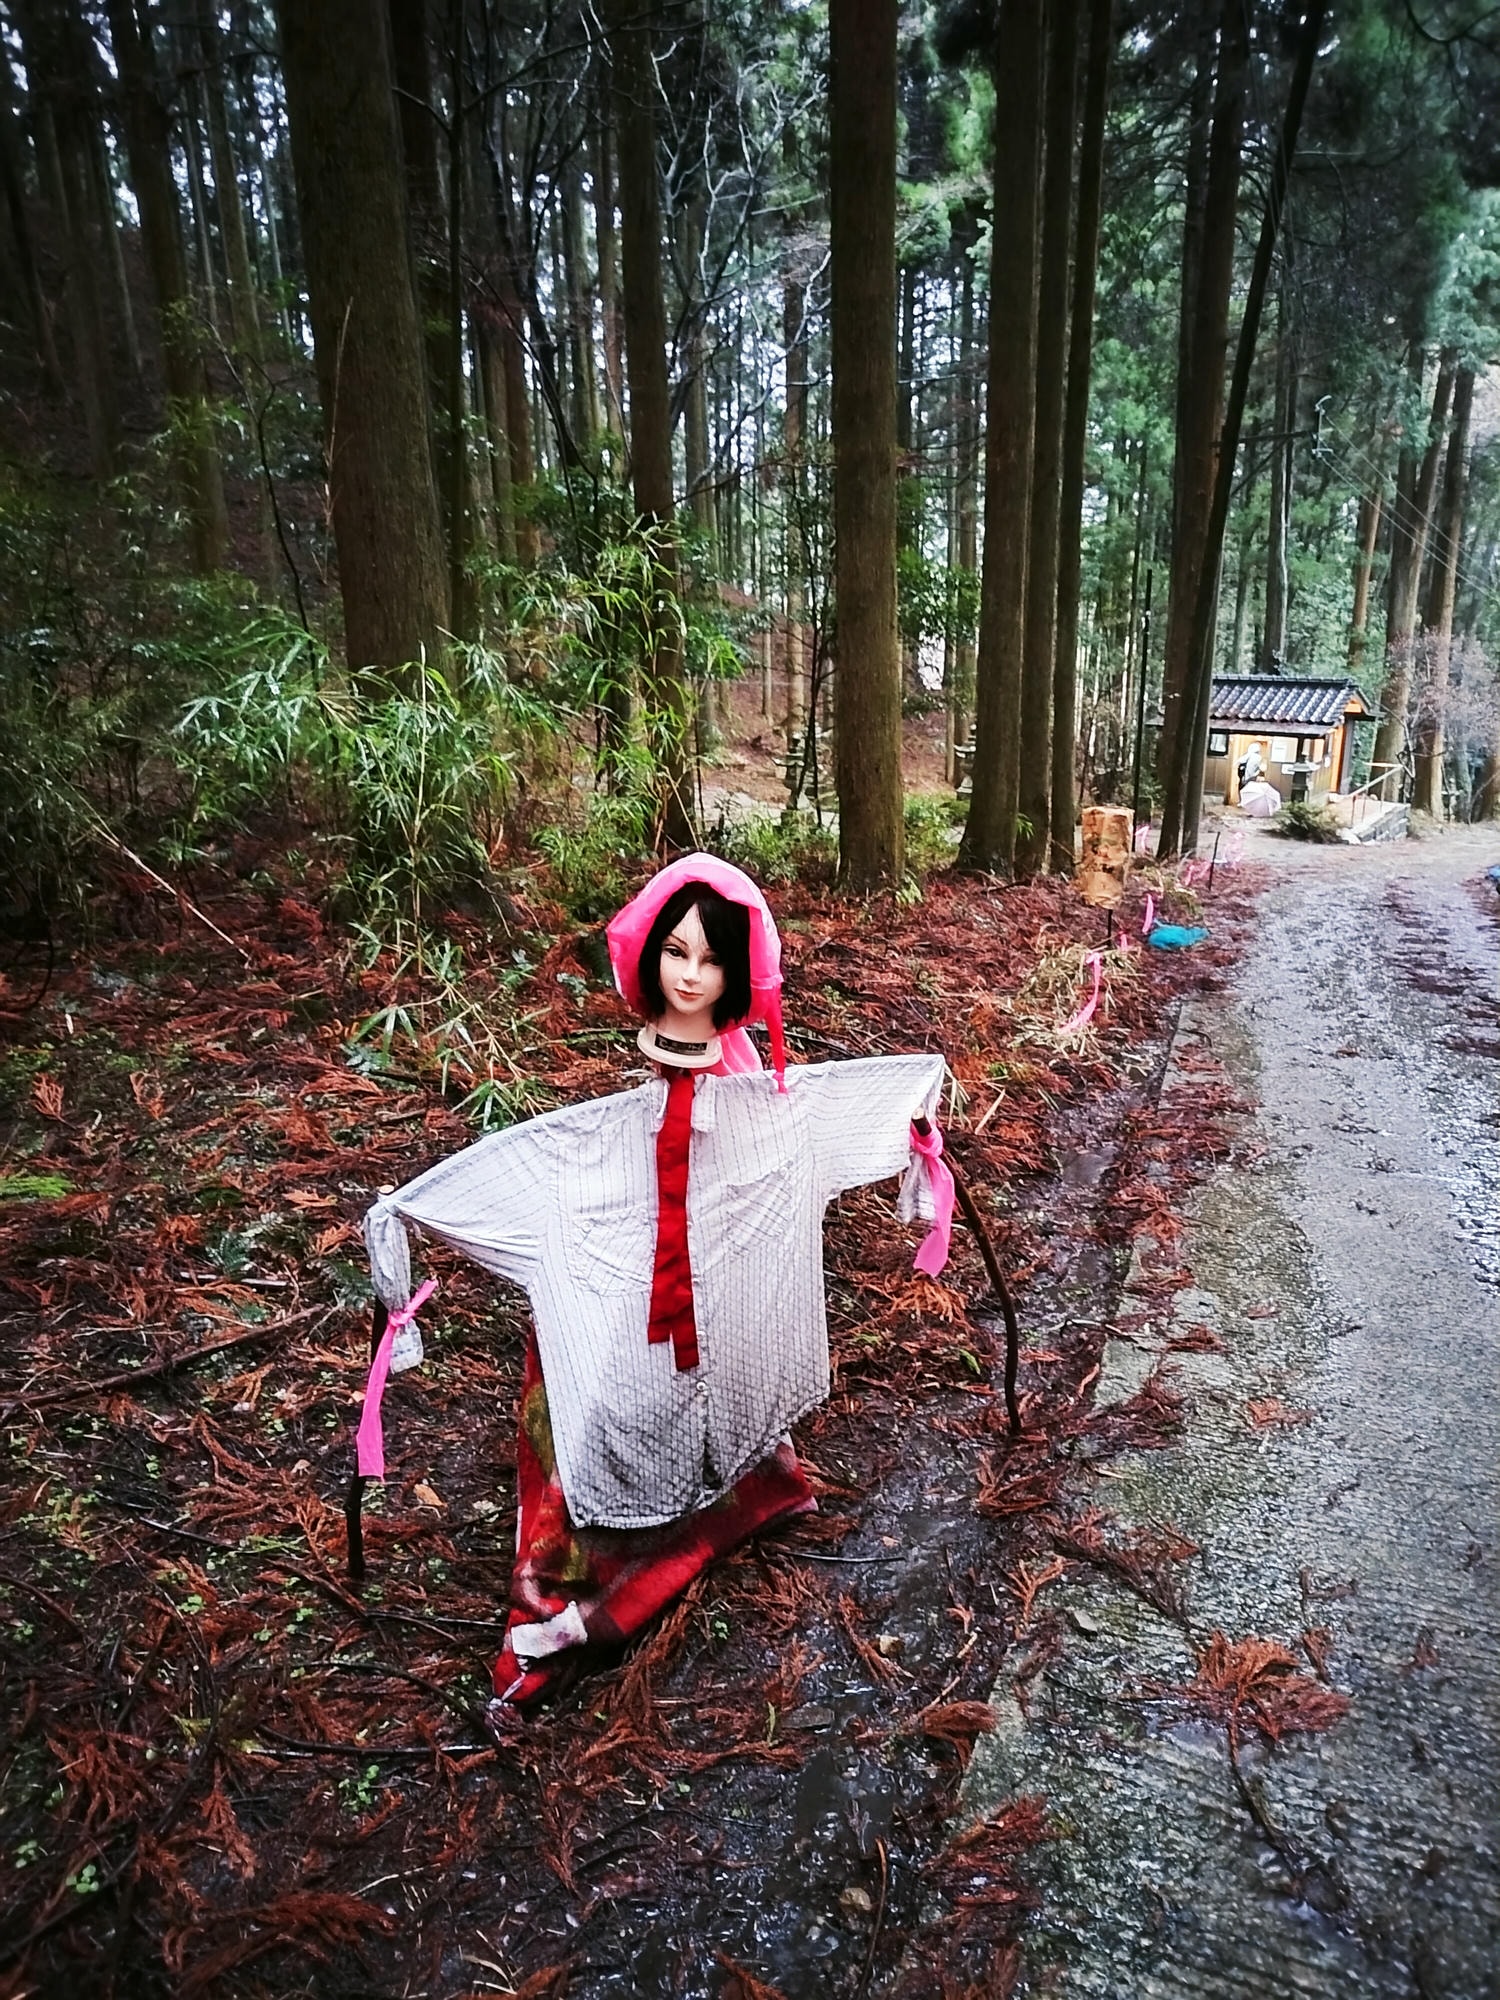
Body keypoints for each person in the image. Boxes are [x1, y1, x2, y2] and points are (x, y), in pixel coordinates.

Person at [359, 856, 952, 1706]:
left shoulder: (758, 1094)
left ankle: (740, 1488)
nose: (690, 974)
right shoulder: (617, 1124)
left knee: (731, 1326)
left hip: (712, 1271)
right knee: (581, 1365)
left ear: (737, 973)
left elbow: (819, 1128)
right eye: (676, 952)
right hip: (647, 1271)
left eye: (711, 959)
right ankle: (579, 1574)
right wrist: (418, 1213)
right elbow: (561, 1168)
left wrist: (909, 1114)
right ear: (650, 959)